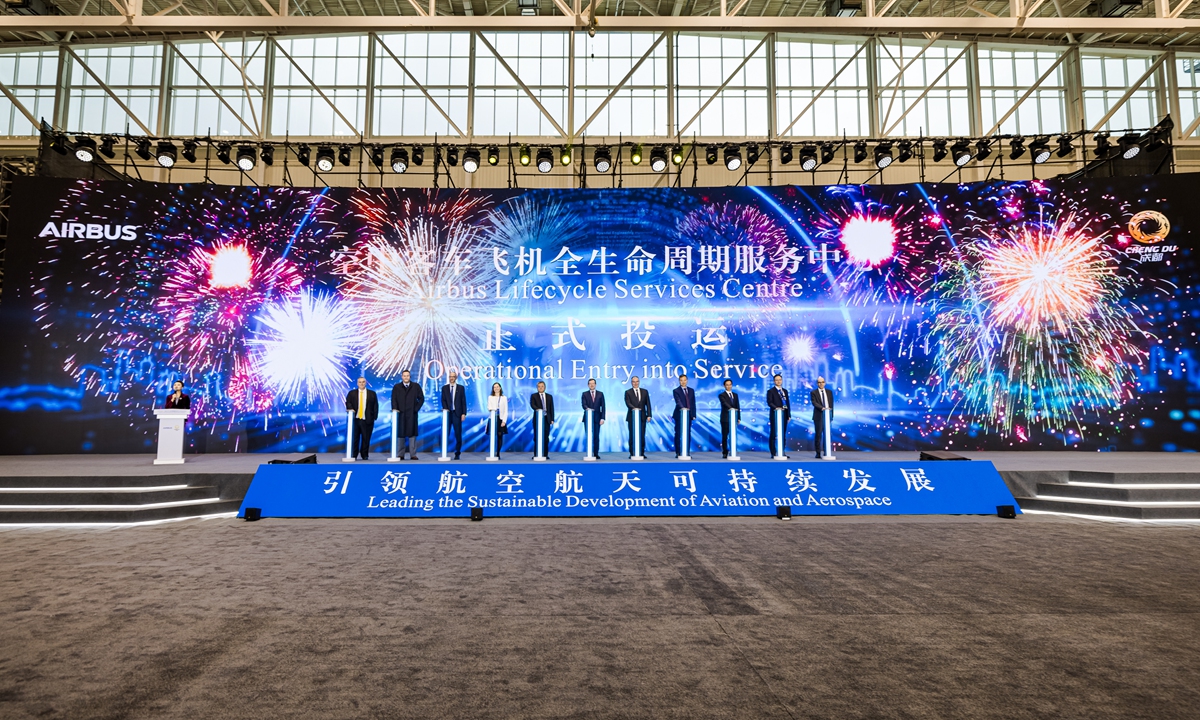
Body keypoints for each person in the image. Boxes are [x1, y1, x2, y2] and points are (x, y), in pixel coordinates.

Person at [391, 369, 425, 460]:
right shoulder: (397, 387)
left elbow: (421, 399)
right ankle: (400, 454)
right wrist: (395, 410)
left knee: (412, 434)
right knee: (400, 434)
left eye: (407, 376)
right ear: (402, 377)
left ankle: (413, 454)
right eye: (404, 376)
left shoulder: (416, 386)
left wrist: (416, 409)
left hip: (412, 414)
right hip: (400, 414)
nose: (406, 377)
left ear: (410, 377)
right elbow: (393, 399)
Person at [345, 376, 379, 461]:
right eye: (360, 382)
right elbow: (348, 402)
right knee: (355, 438)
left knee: (366, 438)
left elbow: (375, 406)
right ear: (357, 383)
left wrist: (374, 417)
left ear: (366, 383)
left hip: (367, 419)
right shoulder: (351, 393)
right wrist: (351, 409)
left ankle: (364, 455)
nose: (361, 383)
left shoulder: (372, 393)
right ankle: (354, 454)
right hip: (355, 420)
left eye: (363, 382)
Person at [440, 371, 467, 460]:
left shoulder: (461, 388)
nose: (451, 378)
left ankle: (457, 453)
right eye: (450, 376)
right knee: (445, 433)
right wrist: (445, 409)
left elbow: (463, 402)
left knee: (458, 434)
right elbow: (443, 400)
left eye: (453, 376)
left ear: (456, 377)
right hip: (447, 414)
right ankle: (444, 452)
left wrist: (463, 413)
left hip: (457, 414)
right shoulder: (444, 388)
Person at [624, 376, 652, 458]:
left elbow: (648, 404)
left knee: (642, 435)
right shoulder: (628, 392)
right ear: (631, 382)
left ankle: (641, 452)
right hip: (632, 417)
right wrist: (634, 409)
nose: (635, 383)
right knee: (632, 435)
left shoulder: (645, 392)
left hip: (643, 417)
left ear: (639, 382)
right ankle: (632, 453)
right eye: (633, 381)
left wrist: (649, 415)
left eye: (637, 381)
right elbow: (628, 403)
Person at [767, 373, 791, 458]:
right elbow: (769, 402)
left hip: (784, 415)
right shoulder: (771, 391)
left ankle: (782, 452)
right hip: (775, 415)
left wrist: (788, 415)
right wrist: (777, 408)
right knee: (773, 434)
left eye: (780, 380)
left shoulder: (785, 391)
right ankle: (773, 453)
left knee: (783, 434)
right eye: (776, 380)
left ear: (782, 380)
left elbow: (787, 403)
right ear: (774, 381)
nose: (778, 381)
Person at [672, 374, 696, 458]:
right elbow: (678, 402)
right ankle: (678, 452)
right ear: (679, 381)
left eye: (684, 380)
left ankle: (686, 451)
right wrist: (683, 409)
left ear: (687, 380)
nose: (683, 382)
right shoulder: (676, 390)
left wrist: (693, 414)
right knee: (678, 433)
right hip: (679, 415)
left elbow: (693, 403)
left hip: (688, 415)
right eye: (681, 380)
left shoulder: (691, 390)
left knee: (687, 433)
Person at [580, 378, 606, 459]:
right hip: (587, 418)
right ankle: (589, 452)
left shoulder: (600, 394)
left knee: (596, 437)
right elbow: (584, 405)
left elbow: (603, 407)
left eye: (593, 383)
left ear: (595, 384)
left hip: (597, 419)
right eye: (590, 383)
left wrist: (603, 418)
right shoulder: (584, 394)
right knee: (588, 436)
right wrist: (588, 409)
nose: (591, 385)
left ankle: (596, 453)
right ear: (588, 385)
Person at [529, 380, 555, 458]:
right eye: (539, 386)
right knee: (537, 437)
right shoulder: (534, 396)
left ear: (545, 387)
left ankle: (545, 454)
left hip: (547, 419)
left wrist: (552, 419)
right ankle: (536, 454)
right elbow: (533, 405)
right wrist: (539, 410)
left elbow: (551, 408)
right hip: (537, 419)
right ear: (537, 388)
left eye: (542, 386)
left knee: (546, 437)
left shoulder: (549, 396)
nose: (540, 388)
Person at [811, 376, 835, 459]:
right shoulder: (814, 392)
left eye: (822, 382)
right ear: (817, 383)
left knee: (827, 435)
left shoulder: (829, 392)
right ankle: (818, 453)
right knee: (818, 435)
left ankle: (826, 452)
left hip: (827, 416)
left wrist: (831, 415)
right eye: (819, 382)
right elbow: (814, 403)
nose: (821, 383)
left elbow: (831, 404)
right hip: (819, 416)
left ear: (825, 383)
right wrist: (822, 408)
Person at [718, 378, 741, 459]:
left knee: (733, 436)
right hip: (725, 419)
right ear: (724, 386)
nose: (728, 386)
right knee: (725, 436)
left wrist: (738, 417)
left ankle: (733, 451)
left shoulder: (735, 395)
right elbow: (724, 403)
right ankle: (725, 452)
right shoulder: (721, 395)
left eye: (730, 385)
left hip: (733, 419)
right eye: (727, 385)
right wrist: (731, 409)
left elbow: (738, 406)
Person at [486, 382, 509, 458]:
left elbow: (506, 410)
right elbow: (489, 407)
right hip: (493, 418)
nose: (496, 388)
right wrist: (494, 409)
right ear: (493, 389)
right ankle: (492, 452)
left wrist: (504, 421)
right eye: (494, 387)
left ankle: (498, 453)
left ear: (500, 388)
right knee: (492, 436)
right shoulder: (490, 397)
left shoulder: (504, 398)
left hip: (501, 418)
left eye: (497, 387)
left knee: (500, 435)